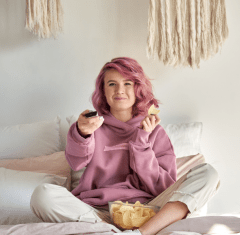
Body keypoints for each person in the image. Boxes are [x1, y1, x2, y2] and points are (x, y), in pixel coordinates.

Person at [30, 57, 220, 235]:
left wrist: (141, 142)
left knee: (208, 173)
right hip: (98, 212)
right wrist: (82, 133)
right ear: (103, 91)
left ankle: (140, 233)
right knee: (42, 194)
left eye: (127, 84)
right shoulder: (90, 126)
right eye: (112, 84)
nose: (119, 90)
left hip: (149, 211)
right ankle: (109, 230)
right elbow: (76, 163)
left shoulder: (155, 131)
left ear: (138, 89)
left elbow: (163, 187)